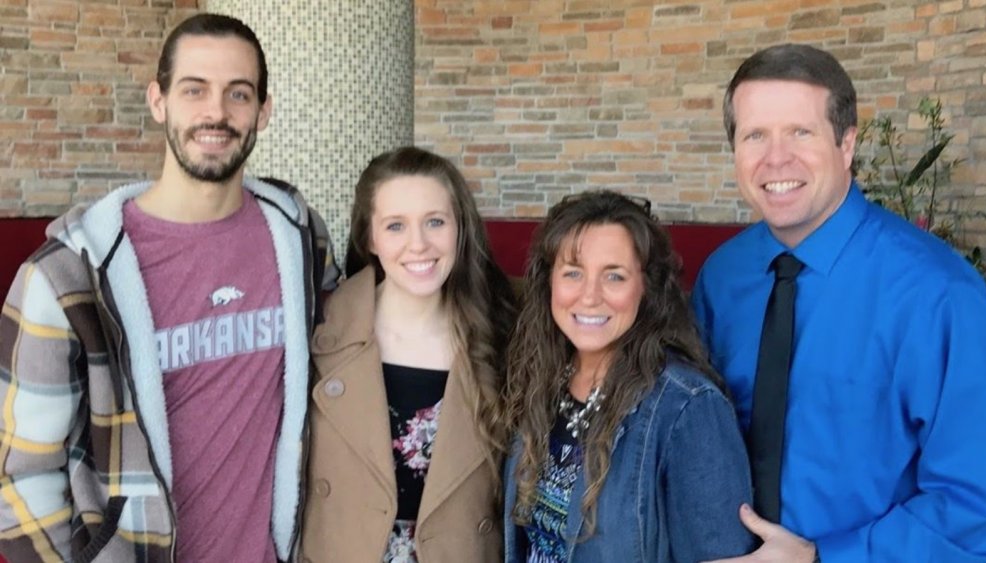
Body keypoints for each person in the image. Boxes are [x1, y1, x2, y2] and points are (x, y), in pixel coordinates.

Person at [0, 13, 339, 562]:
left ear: (263, 110)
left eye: (238, 93)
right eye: (194, 90)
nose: (216, 113)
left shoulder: (299, 237)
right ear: (159, 101)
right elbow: (20, 476)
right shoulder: (65, 277)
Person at [692, 43, 986, 562]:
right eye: (755, 135)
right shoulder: (720, 279)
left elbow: (981, 503)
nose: (776, 158)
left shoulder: (939, 296)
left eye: (800, 132)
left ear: (847, 143)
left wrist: (822, 558)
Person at [502, 191, 755, 562]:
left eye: (614, 276)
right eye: (573, 273)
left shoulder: (687, 408)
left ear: (646, 287)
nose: (590, 296)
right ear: (549, 283)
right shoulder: (543, 380)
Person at [301, 146, 518, 562]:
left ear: (460, 229)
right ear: (370, 237)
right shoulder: (318, 332)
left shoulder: (506, 335)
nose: (418, 244)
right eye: (396, 225)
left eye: (435, 222)